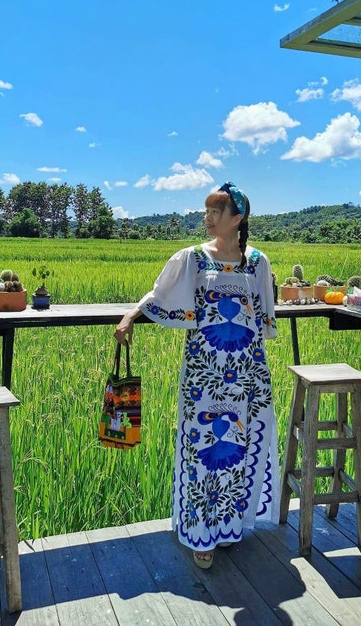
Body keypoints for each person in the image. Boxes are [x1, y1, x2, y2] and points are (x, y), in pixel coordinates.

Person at [115, 182, 279, 570]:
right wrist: (130, 315)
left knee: (237, 450)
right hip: (204, 375)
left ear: (236, 219)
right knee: (201, 449)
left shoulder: (257, 262)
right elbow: (159, 295)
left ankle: (228, 526)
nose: (206, 219)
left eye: (214, 213)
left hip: (245, 373)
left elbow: (262, 317)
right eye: (206, 212)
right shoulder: (192, 259)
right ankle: (200, 533)